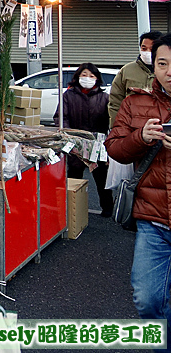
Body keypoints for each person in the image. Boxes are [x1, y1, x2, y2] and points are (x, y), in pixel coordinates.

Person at [106, 32, 171, 331]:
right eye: (162, 63)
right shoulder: (135, 102)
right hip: (153, 218)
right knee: (147, 298)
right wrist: (140, 137)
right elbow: (115, 148)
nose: (169, 72)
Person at [54, 63, 112, 217]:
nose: (88, 78)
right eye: (84, 75)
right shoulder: (68, 95)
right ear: (78, 76)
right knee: (74, 176)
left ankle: (108, 207)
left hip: (97, 144)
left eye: (92, 76)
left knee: (102, 178)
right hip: (75, 143)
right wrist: (68, 136)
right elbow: (61, 117)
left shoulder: (105, 98)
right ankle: (73, 208)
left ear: (97, 79)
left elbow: (111, 121)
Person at [109, 30, 162, 127]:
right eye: (144, 48)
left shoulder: (167, 71)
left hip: (162, 129)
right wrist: (116, 128)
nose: (147, 52)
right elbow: (115, 103)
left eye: (152, 48)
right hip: (132, 129)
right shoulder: (127, 71)